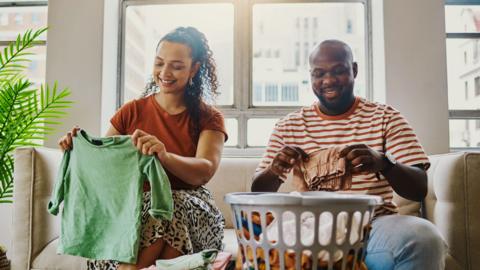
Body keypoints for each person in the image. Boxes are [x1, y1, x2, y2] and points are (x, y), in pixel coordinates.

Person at [251, 39, 446, 270]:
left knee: (424, 238)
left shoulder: (385, 118)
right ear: (310, 76)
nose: (328, 80)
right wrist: (275, 169)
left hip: (373, 225)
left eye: (338, 71)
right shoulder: (289, 126)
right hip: (308, 227)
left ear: (354, 70)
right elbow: (256, 193)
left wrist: (385, 164)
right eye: (319, 73)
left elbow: (418, 188)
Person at [58, 26, 227, 270]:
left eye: (177, 66)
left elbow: (204, 170)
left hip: (191, 210)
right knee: (156, 221)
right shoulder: (131, 111)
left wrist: (164, 156)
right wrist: (75, 150)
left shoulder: (208, 117)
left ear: (195, 68)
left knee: (170, 206)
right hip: (134, 209)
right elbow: (106, 166)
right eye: (159, 63)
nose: (165, 72)